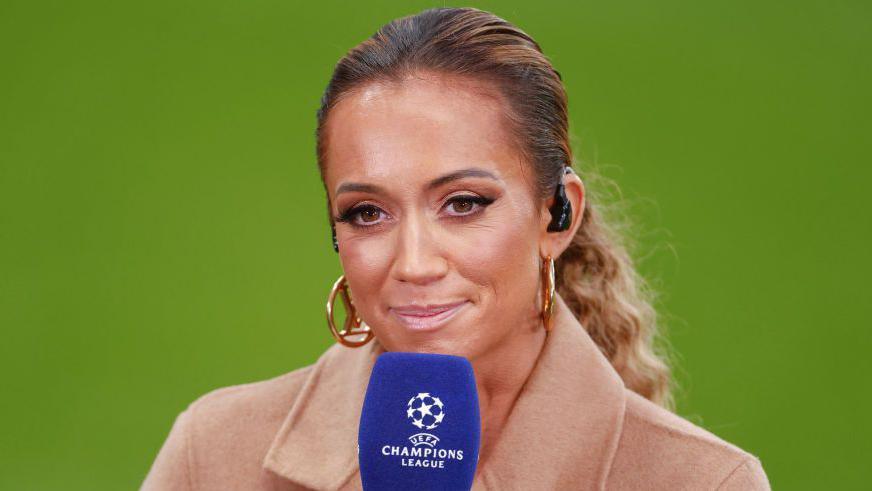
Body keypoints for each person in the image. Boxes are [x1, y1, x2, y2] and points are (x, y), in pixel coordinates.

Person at [142, 7, 770, 490]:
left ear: (558, 215)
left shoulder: (705, 482)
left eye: (464, 203)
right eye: (367, 213)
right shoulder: (215, 452)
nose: (414, 264)